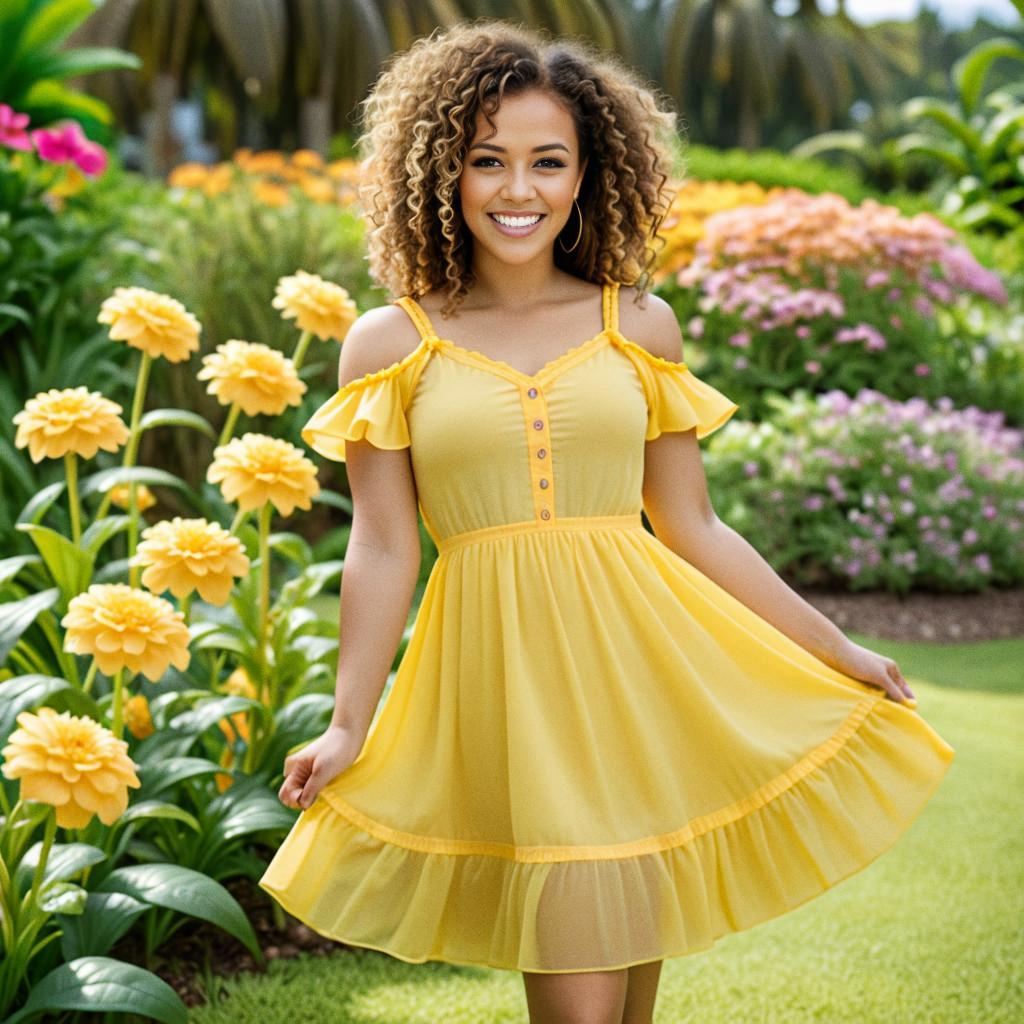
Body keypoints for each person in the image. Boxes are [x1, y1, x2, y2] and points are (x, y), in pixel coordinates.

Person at [259, 19, 955, 1024]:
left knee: (627, 1006)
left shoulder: (638, 324)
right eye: (486, 160)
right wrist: (348, 719)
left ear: (587, 175)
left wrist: (832, 645)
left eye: (549, 161)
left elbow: (693, 525)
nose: (517, 188)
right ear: (439, 170)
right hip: (509, 689)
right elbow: (382, 543)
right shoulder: (388, 344)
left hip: (640, 681)